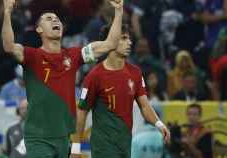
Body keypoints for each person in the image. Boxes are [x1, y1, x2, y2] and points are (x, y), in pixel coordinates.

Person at [1, 0, 124, 157]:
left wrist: (119, 12)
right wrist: (7, 12)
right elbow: (8, 46)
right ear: (39, 29)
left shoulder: (73, 56)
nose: (55, 20)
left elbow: (110, 44)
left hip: (65, 137)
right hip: (39, 138)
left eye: (57, 19)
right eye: (48, 18)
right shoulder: (32, 56)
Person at [71, 25, 170, 158]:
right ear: (109, 41)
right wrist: (76, 148)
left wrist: (159, 124)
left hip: (125, 144)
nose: (129, 42)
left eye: (129, 38)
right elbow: (82, 112)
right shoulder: (95, 76)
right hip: (104, 146)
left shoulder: (135, 72)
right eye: (123, 38)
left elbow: (145, 106)